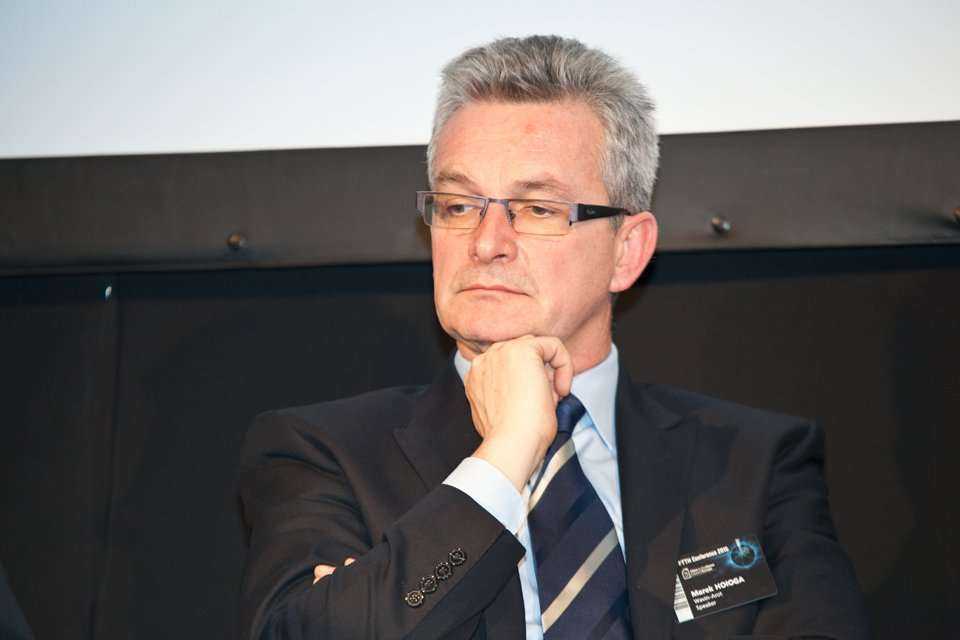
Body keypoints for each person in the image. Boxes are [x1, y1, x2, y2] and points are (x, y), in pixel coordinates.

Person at [239, 35, 869, 639]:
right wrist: (504, 456)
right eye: (458, 206)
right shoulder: (324, 454)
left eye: (538, 209)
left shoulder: (755, 463)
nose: (486, 243)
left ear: (627, 250)